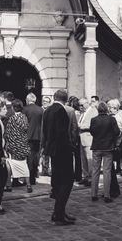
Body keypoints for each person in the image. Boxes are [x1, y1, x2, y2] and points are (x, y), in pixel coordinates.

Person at [42, 89, 76, 226]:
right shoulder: (61, 111)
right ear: (66, 99)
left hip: (52, 150)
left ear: (54, 97)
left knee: (59, 181)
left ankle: (59, 212)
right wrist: (70, 147)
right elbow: (62, 133)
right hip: (62, 151)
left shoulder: (48, 110)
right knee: (67, 182)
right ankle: (59, 213)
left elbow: (45, 131)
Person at [89, 101, 120, 203]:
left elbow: (92, 132)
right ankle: (107, 194)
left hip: (97, 147)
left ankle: (94, 194)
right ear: (106, 109)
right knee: (107, 172)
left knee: (95, 171)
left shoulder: (94, 120)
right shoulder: (111, 119)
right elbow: (117, 132)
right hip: (108, 148)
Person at [4, 99, 32, 193]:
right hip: (23, 145)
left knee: (9, 165)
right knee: (24, 164)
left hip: (13, 146)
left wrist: (7, 145)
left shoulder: (12, 119)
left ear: (14, 107)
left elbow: (8, 132)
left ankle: (8, 184)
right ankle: (28, 185)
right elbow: (26, 129)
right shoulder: (24, 117)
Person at [22, 93, 43, 185]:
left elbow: (22, 123)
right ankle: (34, 176)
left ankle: (29, 177)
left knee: (29, 158)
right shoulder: (40, 109)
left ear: (27, 100)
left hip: (28, 136)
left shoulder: (25, 109)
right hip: (38, 136)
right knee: (36, 157)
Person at [106, 98, 122, 197]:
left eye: (110, 107)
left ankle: (113, 190)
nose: (109, 109)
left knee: (110, 169)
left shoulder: (116, 118)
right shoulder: (117, 116)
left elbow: (117, 133)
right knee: (110, 168)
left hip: (114, 145)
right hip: (115, 144)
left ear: (115, 108)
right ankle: (112, 189)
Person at [77, 97, 97, 187]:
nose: (80, 107)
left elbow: (93, 124)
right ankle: (85, 177)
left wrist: (81, 126)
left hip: (88, 138)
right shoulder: (83, 112)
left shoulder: (93, 111)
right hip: (81, 138)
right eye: (79, 105)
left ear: (87, 103)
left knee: (90, 160)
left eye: (82, 105)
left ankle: (91, 178)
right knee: (83, 160)